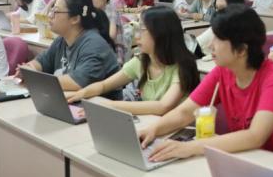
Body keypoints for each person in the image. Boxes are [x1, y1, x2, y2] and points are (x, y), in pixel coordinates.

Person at [138, 6, 273, 161]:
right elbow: (185, 112)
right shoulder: (223, 71)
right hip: (245, 156)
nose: (211, 45)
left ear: (241, 50)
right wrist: (153, 129)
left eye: (218, 39)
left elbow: (255, 136)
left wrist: (190, 147)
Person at [67, 8, 200, 114]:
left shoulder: (183, 66)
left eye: (142, 30)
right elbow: (103, 85)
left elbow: (163, 106)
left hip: (178, 131)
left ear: (161, 33)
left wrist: (109, 105)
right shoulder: (141, 61)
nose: (136, 37)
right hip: (151, 124)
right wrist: (80, 94)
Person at [16, 0, 120, 97]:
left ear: (75, 19)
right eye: (51, 10)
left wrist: (33, 78)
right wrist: (27, 70)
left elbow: (76, 83)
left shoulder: (94, 45)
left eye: (55, 11)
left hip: (99, 105)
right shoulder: (62, 39)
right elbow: (41, 62)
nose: (50, 15)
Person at [87, 0, 130, 65]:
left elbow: (111, 36)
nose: (90, 1)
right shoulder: (92, 11)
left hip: (114, 50)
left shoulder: (111, 10)